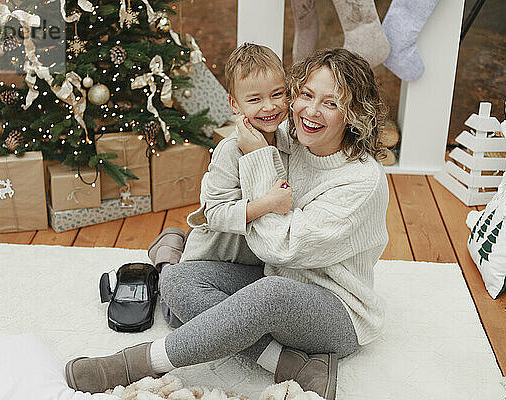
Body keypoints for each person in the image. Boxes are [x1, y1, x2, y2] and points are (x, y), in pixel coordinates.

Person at [65, 48, 389, 400]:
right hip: (277, 277)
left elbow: (277, 246)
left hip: (337, 313)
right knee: (176, 279)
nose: (310, 111)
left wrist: (257, 156)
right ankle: (289, 365)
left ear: (354, 114)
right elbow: (222, 199)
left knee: (267, 296)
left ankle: (135, 364)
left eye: (330, 103)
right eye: (306, 95)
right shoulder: (293, 140)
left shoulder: (361, 181)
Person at [147, 42, 291, 328]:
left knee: (260, 307)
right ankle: (166, 258)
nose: (269, 106)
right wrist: (268, 204)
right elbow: (215, 213)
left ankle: (175, 242)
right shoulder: (230, 151)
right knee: (179, 317)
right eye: (255, 100)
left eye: (278, 94)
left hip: (256, 262)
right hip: (213, 260)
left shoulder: (289, 143)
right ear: (234, 104)